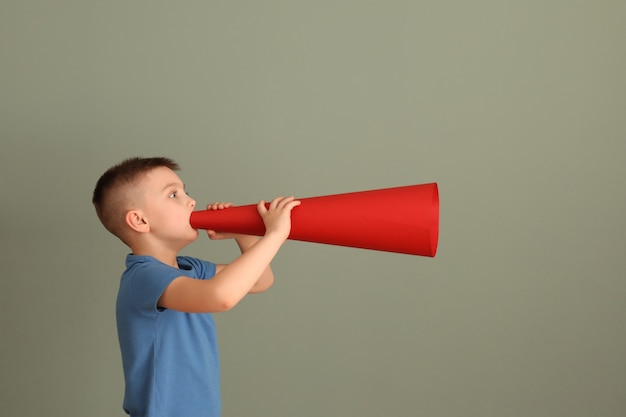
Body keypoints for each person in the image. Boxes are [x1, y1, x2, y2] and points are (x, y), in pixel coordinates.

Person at [92, 156, 300, 417]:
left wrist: (243, 233)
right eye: (173, 195)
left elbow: (261, 280)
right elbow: (221, 297)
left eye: (185, 191)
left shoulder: (190, 268)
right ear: (140, 221)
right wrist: (275, 234)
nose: (190, 201)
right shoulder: (143, 277)